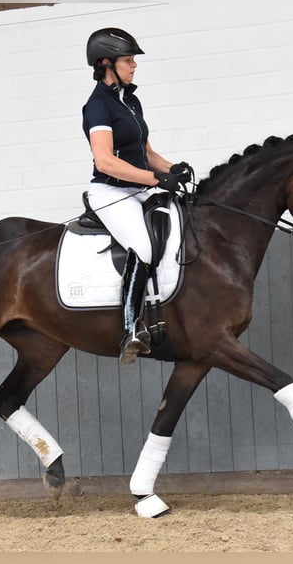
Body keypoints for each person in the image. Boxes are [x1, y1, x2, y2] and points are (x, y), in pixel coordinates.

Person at [82, 27, 191, 364]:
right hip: (110, 192)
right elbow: (106, 160)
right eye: (128, 60)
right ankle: (131, 327)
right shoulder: (97, 107)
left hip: (139, 190)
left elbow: (146, 151)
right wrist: (155, 178)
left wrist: (173, 170)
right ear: (106, 63)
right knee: (142, 246)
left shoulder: (130, 100)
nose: (134, 65)